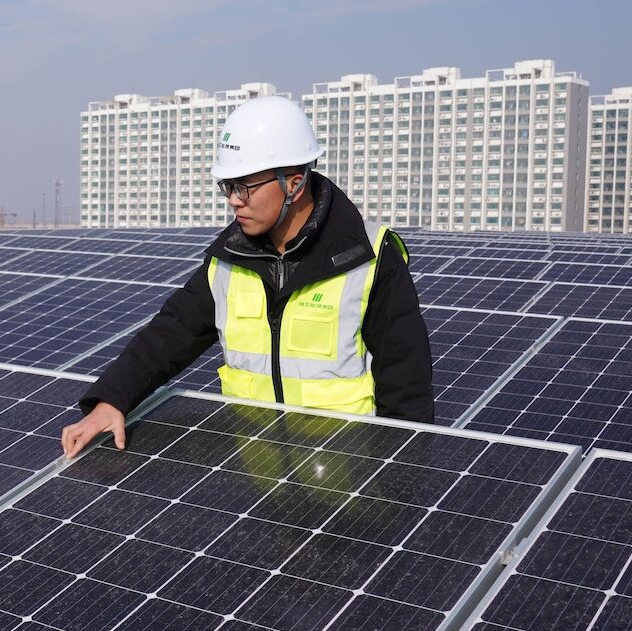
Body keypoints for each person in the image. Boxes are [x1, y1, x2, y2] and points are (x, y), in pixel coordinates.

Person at [62, 95, 433, 459]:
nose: (233, 200)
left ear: (294, 182)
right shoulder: (228, 260)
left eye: (245, 186)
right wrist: (112, 399)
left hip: (349, 487)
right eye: (228, 187)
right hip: (258, 487)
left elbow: (406, 387)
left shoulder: (369, 256)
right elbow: (169, 335)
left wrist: (398, 489)